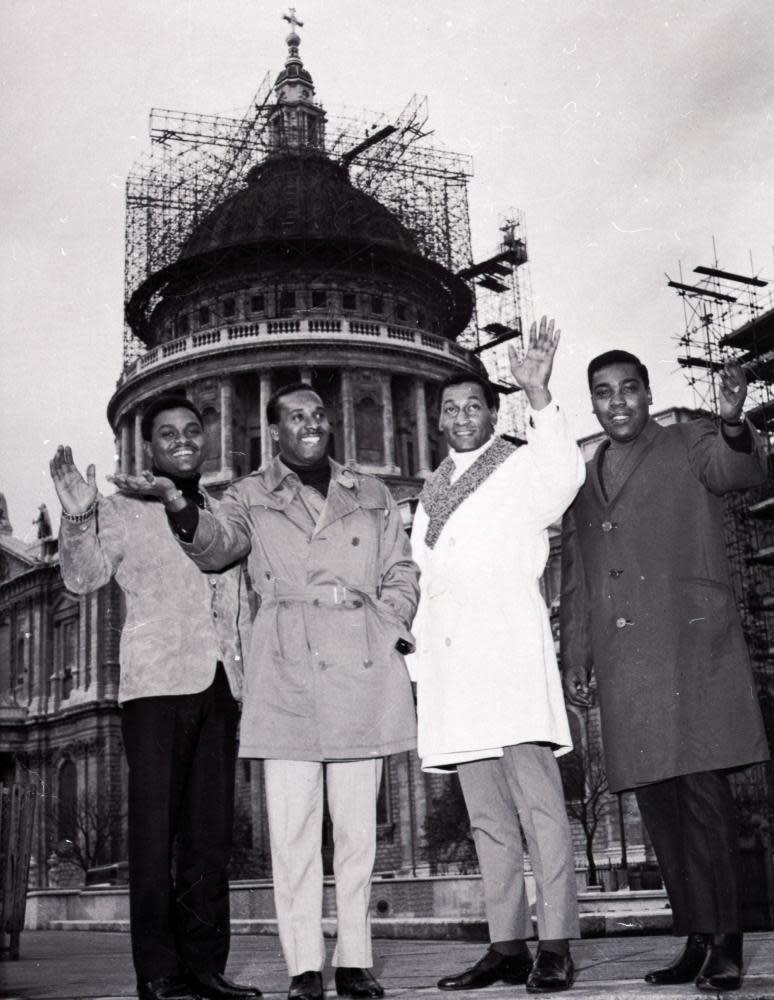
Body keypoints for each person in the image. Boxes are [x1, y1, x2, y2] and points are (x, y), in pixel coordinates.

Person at [112, 382, 419, 1000]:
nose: (310, 424)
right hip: (286, 668)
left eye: (319, 414)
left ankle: (355, 962)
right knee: (293, 831)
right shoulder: (248, 495)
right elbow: (215, 549)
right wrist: (177, 505)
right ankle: (304, 966)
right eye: (294, 417)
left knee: (358, 833)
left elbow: (401, 569)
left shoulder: (373, 491)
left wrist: (387, 629)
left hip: (359, 661)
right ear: (271, 432)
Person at [560, 350, 770, 993]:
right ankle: (696, 938)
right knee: (661, 809)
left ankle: (728, 941)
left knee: (707, 804)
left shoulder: (690, 439)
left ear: (648, 395)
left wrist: (733, 422)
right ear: (592, 402)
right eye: (603, 392)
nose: (617, 402)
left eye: (629, 389)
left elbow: (734, 469)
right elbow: (577, 580)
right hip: (628, 668)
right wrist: (577, 657)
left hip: (690, 649)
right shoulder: (581, 478)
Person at [50, 395, 260, 1000]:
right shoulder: (119, 510)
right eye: (168, 433)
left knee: (209, 838)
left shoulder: (223, 511)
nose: (183, 441)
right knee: (152, 835)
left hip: (220, 686)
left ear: (205, 440)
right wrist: (76, 519)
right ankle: (159, 974)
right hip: (153, 690)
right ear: (150, 447)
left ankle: (204, 967)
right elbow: (82, 579)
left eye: (192, 431)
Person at [409, 318, 585, 994]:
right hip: (457, 672)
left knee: (541, 809)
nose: (460, 417)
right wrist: (422, 670)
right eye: (449, 408)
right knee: (486, 818)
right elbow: (425, 581)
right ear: (437, 419)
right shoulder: (428, 496)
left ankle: (556, 944)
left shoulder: (519, 464)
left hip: (509, 660)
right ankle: (506, 943)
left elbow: (565, 475)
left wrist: (539, 395)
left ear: (492, 412)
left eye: (472, 406)